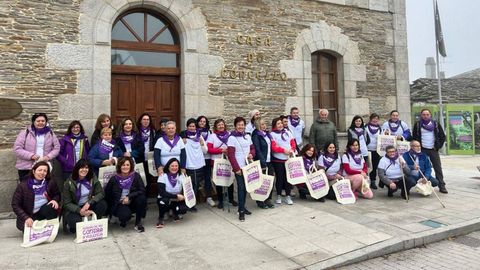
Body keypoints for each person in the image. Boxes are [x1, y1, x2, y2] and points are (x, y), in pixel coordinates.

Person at [11, 161, 60, 231]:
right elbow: (15, 204)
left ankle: (49, 226)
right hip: (29, 214)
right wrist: (26, 217)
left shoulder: (50, 182)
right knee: (28, 229)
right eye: (40, 170)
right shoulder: (23, 185)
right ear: (34, 171)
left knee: (51, 207)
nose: (42, 173)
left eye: (45, 171)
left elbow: (57, 194)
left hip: (43, 211)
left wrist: (55, 200)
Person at [62, 159, 107, 233]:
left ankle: (95, 223)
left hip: (88, 204)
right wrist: (79, 210)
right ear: (77, 169)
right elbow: (67, 203)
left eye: (86, 168)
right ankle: (74, 225)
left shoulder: (92, 177)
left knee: (102, 204)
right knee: (74, 223)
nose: (84, 170)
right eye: (82, 168)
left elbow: (101, 193)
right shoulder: (68, 182)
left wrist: (89, 202)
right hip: (75, 207)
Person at [105, 157, 147, 232]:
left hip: (132, 201)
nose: (125, 167)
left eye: (128, 165)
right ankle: (120, 218)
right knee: (125, 216)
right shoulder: (114, 179)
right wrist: (110, 211)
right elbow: (107, 194)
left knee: (142, 198)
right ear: (119, 166)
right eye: (123, 165)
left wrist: (129, 197)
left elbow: (142, 190)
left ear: (131, 166)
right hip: (119, 204)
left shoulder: (135, 176)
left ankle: (138, 223)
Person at [13, 113, 60, 180]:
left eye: (43, 121)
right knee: (26, 188)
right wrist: (31, 156)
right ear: (33, 122)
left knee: (42, 188)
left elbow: (57, 148)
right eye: (38, 121)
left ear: (46, 122)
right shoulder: (25, 133)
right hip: (26, 167)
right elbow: (17, 149)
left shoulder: (50, 133)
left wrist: (48, 157)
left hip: (43, 167)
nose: (40, 123)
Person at [227, 117, 256, 221]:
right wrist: (236, 168)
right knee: (241, 188)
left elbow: (252, 148)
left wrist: (251, 155)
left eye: (242, 125)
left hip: (248, 166)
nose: (241, 127)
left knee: (246, 188)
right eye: (239, 125)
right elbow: (230, 155)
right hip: (239, 167)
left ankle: (242, 207)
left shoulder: (247, 136)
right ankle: (241, 211)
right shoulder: (232, 138)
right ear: (235, 126)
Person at [412, 109, 447, 193]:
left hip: (433, 150)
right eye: (424, 114)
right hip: (422, 150)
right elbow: (414, 137)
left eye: (427, 114)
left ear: (430, 115)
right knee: (423, 168)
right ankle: (423, 186)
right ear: (421, 115)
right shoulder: (417, 125)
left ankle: (442, 186)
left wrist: (437, 146)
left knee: (437, 168)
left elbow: (442, 136)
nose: (425, 116)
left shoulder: (435, 124)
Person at [207, 119, 236, 209]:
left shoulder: (229, 135)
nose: (221, 126)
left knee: (230, 180)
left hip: (228, 161)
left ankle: (231, 199)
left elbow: (234, 146)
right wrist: (221, 150)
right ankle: (220, 200)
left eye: (222, 124)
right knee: (219, 181)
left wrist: (229, 151)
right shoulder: (212, 136)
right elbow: (209, 149)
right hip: (216, 161)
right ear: (215, 126)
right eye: (219, 125)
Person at [181, 118, 207, 212]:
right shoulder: (183, 137)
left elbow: (205, 151)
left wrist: (202, 144)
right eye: (190, 126)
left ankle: (192, 204)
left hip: (198, 164)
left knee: (196, 185)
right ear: (187, 127)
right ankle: (186, 203)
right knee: (188, 185)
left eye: (193, 126)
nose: (192, 128)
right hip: (189, 164)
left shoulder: (200, 136)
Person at [270, 117, 297, 205]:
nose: (280, 125)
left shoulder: (288, 132)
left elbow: (293, 143)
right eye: (278, 124)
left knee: (288, 178)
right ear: (274, 125)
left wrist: (291, 150)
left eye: (281, 123)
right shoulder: (272, 134)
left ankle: (288, 196)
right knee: (280, 178)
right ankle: (278, 195)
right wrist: (283, 150)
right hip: (278, 160)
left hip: (288, 159)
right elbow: (273, 147)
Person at [156, 158, 188, 228]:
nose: (174, 168)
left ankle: (175, 212)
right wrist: (176, 196)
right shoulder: (163, 176)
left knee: (184, 208)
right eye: (172, 166)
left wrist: (185, 197)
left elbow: (188, 189)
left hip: (177, 200)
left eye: (176, 166)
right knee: (163, 202)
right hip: (165, 198)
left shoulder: (182, 175)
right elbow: (162, 193)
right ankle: (161, 218)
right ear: (168, 166)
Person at [251, 118, 275, 209]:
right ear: (257, 125)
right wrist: (263, 163)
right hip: (262, 162)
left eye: (264, 124)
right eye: (262, 124)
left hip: (270, 161)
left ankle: (268, 199)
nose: (264, 126)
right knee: (261, 183)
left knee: (270, 181)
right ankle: (260, 201)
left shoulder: (267, 134)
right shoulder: (256, 135)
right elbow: (257, 150)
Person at [197, 115, 216, 207]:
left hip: (208, 158)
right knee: (197, 178)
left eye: (204, 121)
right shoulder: (194, 133)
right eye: (200, 121)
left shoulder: (210, 132)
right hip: (198, 159)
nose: (202, 123)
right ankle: (195, 198)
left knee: (208, 178)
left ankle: (209, 197)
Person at [136, 113, 156, 194]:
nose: (146, 121)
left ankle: (146, 196)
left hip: (149, 159)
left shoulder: (152, 131)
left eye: (148, 119)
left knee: (148, 178)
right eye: (144, 119)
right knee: (139, 179)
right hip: (139, 158)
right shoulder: (136, 131)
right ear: (140, 121)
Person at [366, 113, 382, 189]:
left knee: (374, 167)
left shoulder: (380, 129)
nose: (375, 120)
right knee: (367, 167)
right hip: (367, 150)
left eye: (376, 118)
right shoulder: (365, 127)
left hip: (376, 150)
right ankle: (366, 181)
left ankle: (373, 181)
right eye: (373, 118)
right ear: (370, 119)